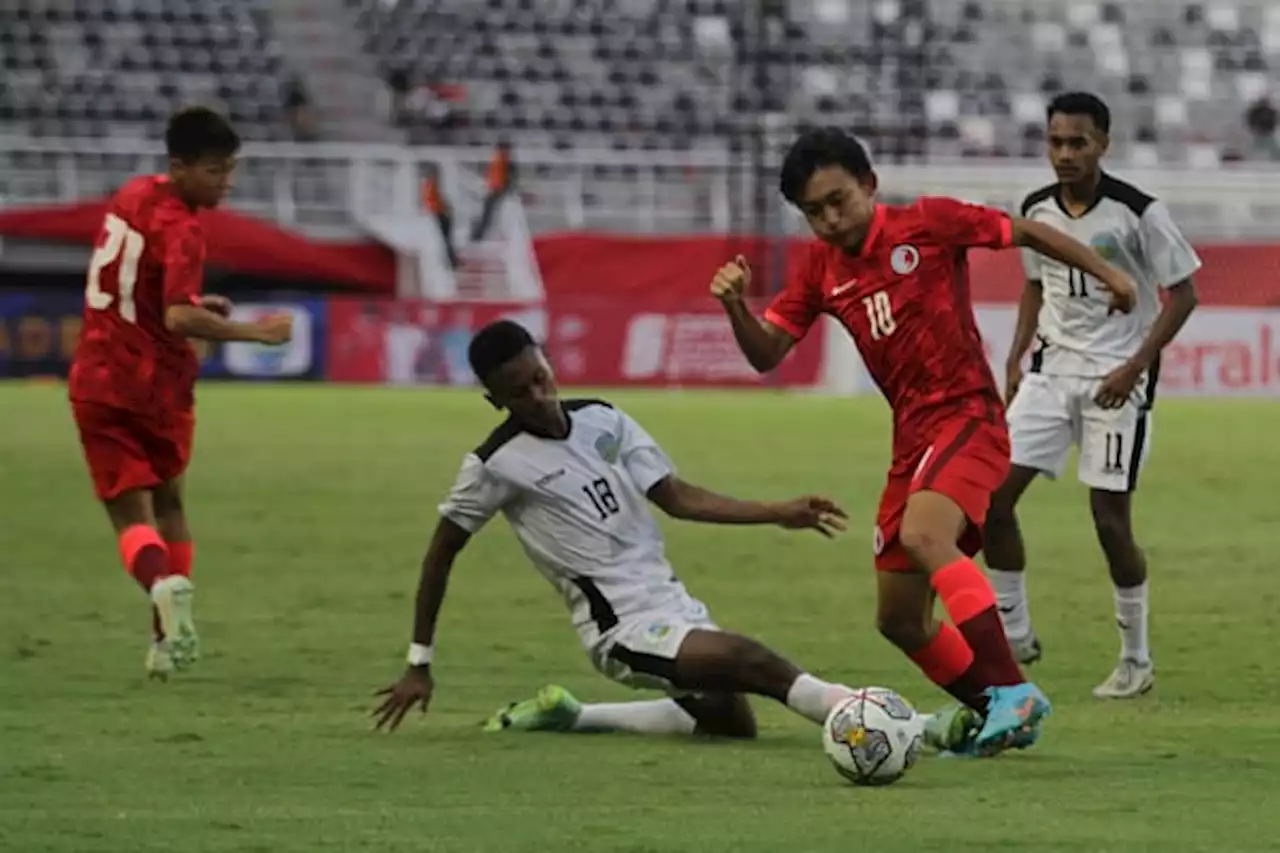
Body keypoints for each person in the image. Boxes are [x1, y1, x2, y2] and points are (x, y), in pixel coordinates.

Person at [714, 127, 1139, 754]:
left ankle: (1012, 691)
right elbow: (766, 354)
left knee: (924, 537)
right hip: (912, 439)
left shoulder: (929, 222)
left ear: (869, 186)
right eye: (813, 211)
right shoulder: (819, 270)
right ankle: (994, 713)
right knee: (899, 618)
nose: (831, 219)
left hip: (967, 415)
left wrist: (1107, 273)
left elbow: (1026, 232)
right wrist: (734, 307)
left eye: (839, 201)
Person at [372, 320, 974, 750]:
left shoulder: (602, 418)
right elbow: (440, 554)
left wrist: (776, 511)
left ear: (546, 362)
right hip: (620, 630)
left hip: (671, 605)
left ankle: (570, 715)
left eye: (540, 377)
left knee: (732, 724)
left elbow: (678, 497)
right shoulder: (494, 464)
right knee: (749, 659)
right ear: (494, 400)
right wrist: (418, 661)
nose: (539, 397)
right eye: (519, 393)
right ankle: (904, 726)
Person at [984, 93, 1201, 699]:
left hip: (1115, 380)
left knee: (1109, 522)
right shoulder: (1034, 210)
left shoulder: (1138, 212)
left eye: (1078, 142)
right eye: (1056, 142)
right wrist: (1014, 356)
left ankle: (1136, 659)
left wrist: (1134, 367)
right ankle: (1016, 632)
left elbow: (1183, 294)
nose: (1065, 154)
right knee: (990, 499)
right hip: (1051, 374)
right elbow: (1034, 285)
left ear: (1103, 143)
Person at [69, 107, 294, 679]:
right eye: (217, 171)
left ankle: (162, 591)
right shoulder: (186, 229)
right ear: (181, 167)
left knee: (130, 516)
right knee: (169, 504)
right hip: (161, 385)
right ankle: (164, 636)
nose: (228, 182)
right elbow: (175, 317)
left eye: (230, 169)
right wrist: (254, 332)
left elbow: (151, 291)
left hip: (102, 377)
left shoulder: (132, 195)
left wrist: (198, 305)